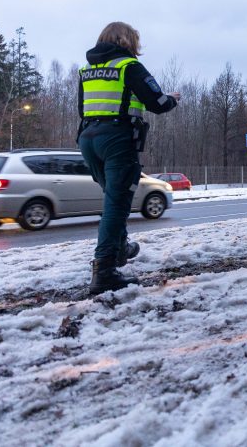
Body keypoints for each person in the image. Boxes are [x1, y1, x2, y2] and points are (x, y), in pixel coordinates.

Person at [78, 21, 180, 295]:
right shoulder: (129, 66)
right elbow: (156, 103)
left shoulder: (87, 70)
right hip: (117, 139)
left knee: (113, 197)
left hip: (88, 138)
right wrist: (172, 99)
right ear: (129, 41)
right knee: (117, 203)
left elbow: (82, 108)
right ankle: (104, 271)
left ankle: (120, 248)